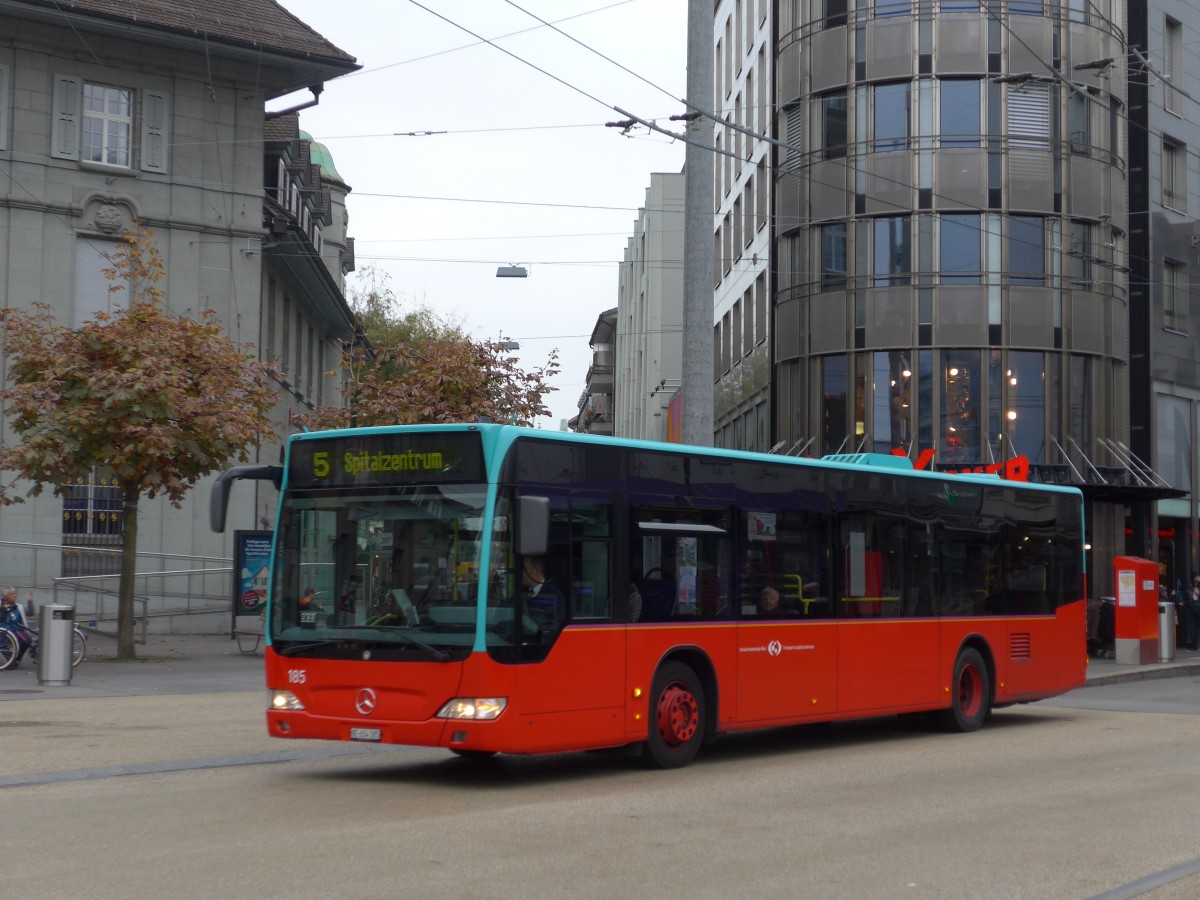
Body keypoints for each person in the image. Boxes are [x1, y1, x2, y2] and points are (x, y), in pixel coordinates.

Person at [522, 555, 565, 628]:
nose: (520, 573)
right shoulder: (520, 591)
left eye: (524, 569)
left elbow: (552, 626)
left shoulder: (554, 595)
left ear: (536, 570)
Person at [1, 586, 33, 668]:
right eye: (11, 594)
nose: (14, 596)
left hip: (16, 632)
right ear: (5, 597)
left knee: (27, 640)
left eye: (14, 594)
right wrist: (3, 609)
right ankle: (11, 661)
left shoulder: (18, 607)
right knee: (2, 641)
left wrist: (30, 602)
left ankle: (17, 659)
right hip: (3, 633)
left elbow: (30, 612)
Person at [1188, 575, 1200, 652]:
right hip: (1192, 610)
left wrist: (1198, 594)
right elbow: (1188, 597)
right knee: (1193, 628)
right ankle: (1194, 645)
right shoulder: (1190, 587)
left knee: (1197, 628)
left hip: (1198, 609)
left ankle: (1196, 644)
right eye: (1197, 577)